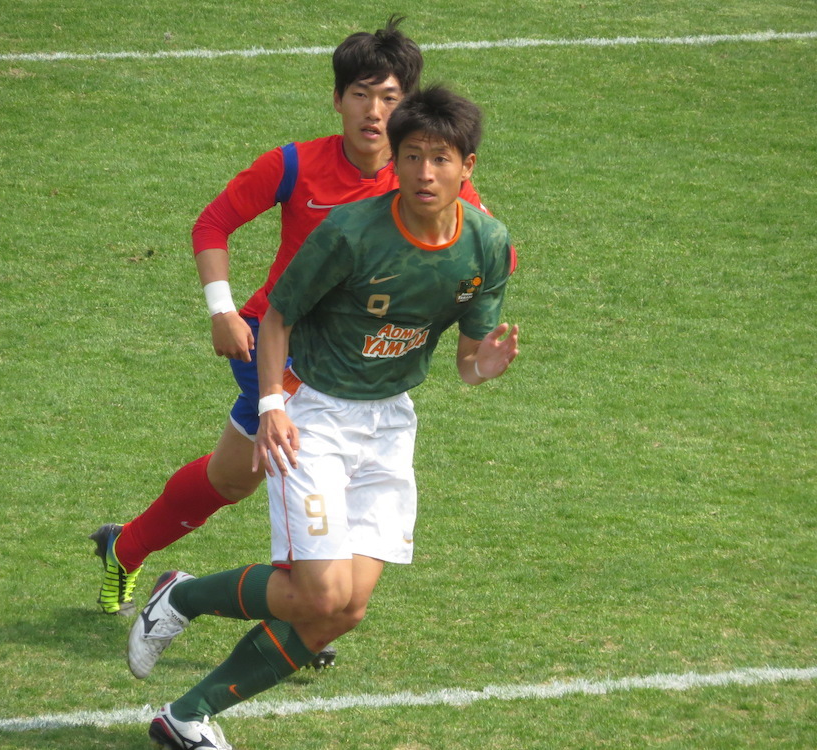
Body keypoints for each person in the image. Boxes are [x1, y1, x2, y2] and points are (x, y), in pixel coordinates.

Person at [90, 17, 496, 667]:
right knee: (298, 458)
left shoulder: (428, 176)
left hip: (348, 356)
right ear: (337, 100)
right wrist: (221, 311)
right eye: (360, 95)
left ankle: (127, 547)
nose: (373, 112)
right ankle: (308, 603)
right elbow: (213, 223)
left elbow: (479, 246)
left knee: (232, 478)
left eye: (389, 98)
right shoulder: (295, 164)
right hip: (272, 341)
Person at [126, 85, 520, 750]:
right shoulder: (350, 233)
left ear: (467, 167)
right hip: (317, 419)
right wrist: (273, 404)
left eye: (441, 159)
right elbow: (279, 314)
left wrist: (484, 366)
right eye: (413, 157)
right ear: (397, 159)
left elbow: (465, 363)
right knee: (315, 594)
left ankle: (186, 715)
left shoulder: (487, 246)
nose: (425, 173)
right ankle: (182, 599)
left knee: (346, 609)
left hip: (391, 424)